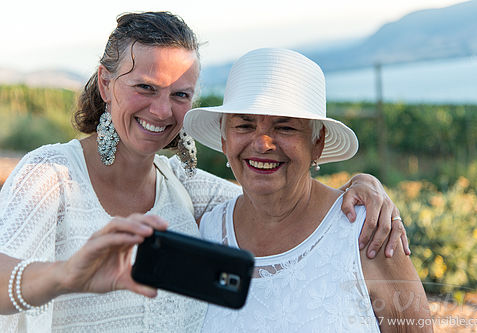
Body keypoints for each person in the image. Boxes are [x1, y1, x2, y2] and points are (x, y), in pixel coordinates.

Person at [0, 12, 407, 333]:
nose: (162, 111)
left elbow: (275, 197)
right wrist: (66, 275)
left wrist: (363, 185)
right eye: (145, 87)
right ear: (106, 85)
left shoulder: (185, 186)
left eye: (179, 95)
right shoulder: (52, 175)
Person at [183, 48, 432, 332]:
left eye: (285, 128)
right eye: (244, 125)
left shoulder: (368, 234)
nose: (263, 143)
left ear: (318, 143)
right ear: (224, 139)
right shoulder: (205, 235)